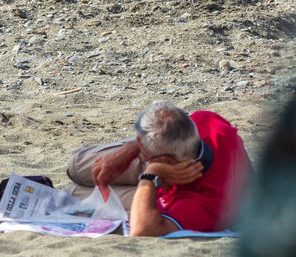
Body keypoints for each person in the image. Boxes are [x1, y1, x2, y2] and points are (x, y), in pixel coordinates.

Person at [66, 101, 251, 238]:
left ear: (163, 161)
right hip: (167, 161)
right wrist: (132, 148)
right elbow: (167, 128)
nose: (141, 157)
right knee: (76, 166)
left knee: (72, 194)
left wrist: (150, 175)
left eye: (143, 154)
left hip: (166, 190)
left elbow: (141, 231)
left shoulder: (205, 206)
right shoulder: (205, 121)